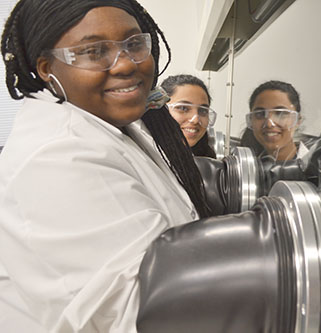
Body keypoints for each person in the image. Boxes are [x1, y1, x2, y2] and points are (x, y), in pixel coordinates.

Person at [0, 0, 210, 331]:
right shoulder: (58, 157)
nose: (126, 64)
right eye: (94, 52)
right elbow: (145, 313)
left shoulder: (106, 121)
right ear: (46, 68)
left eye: (135, 43)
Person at [244, 80, 309, 161]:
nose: (269, 124)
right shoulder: (241, 167)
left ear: (298, 120)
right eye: (260, 114)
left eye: (280, 114)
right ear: (251, 120)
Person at [161, 74, 217, 158]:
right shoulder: (146, 159)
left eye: (203, 111)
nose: (196, 120)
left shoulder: (205, 162)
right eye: (183, 108)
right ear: (161, 109)